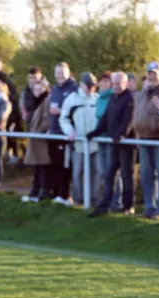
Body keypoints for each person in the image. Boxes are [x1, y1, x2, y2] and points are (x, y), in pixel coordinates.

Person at [87, 72, 136, 218]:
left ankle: (128, 206)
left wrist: (121, 134)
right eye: (113, 83)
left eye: (118, 83)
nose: (115, 86)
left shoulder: (130, 98)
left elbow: (128, 121)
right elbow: (105, 119)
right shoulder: (113, 98)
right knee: (109, 174)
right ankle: (104, 205)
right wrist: (94, 132)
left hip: (126, 144)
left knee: (127, 175)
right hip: (114, 143)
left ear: (126, 84)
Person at [132, 62, 159, 220]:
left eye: (155, 73)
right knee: (146, 174)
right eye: (149, 73)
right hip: (144, 138)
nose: (152, 76)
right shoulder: (145, 90)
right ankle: (150, 207)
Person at [58, 72, 100, 206]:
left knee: (97, 172)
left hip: (96, 144)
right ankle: (78, 200)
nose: (91, 89)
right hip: (78, 144)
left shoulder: (98, 99)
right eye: (88, 86)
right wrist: (69, 131)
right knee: (77, 172)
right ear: (81, 85)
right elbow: (63, 118)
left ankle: (94, 200)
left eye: (93, 86)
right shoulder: (72, 99)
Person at [48, 62, 78, 206]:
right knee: (55, 165)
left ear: (68, 73)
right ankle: (58, 194)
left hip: (66, 133)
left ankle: (66, 195)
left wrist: (60, 111)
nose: (59, 75)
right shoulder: (55, 89)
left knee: (65, 165)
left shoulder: (74, 89)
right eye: (57, 72)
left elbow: (76, 111)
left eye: (62, 72)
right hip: (54, 131)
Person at [22, 80, 52, 202]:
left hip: (41, 138)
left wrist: (38, 133)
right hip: (35, 137)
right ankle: (35, 190)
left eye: (40, 89)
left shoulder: (46, 101)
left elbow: (46, 119)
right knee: (37, 166)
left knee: (43, 165)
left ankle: (43, 191)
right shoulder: (35, 103)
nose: (38, 92)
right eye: (36, 89)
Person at [96, 71, 122, 211]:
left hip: (111, 138)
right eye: (103, 81)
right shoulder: (99, 98)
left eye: (108, 81)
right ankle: (106, 200)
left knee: (112, 172)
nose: (105, 84)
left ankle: (116, 202)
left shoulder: (113, 96)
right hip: (101, 138)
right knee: (103, 172)